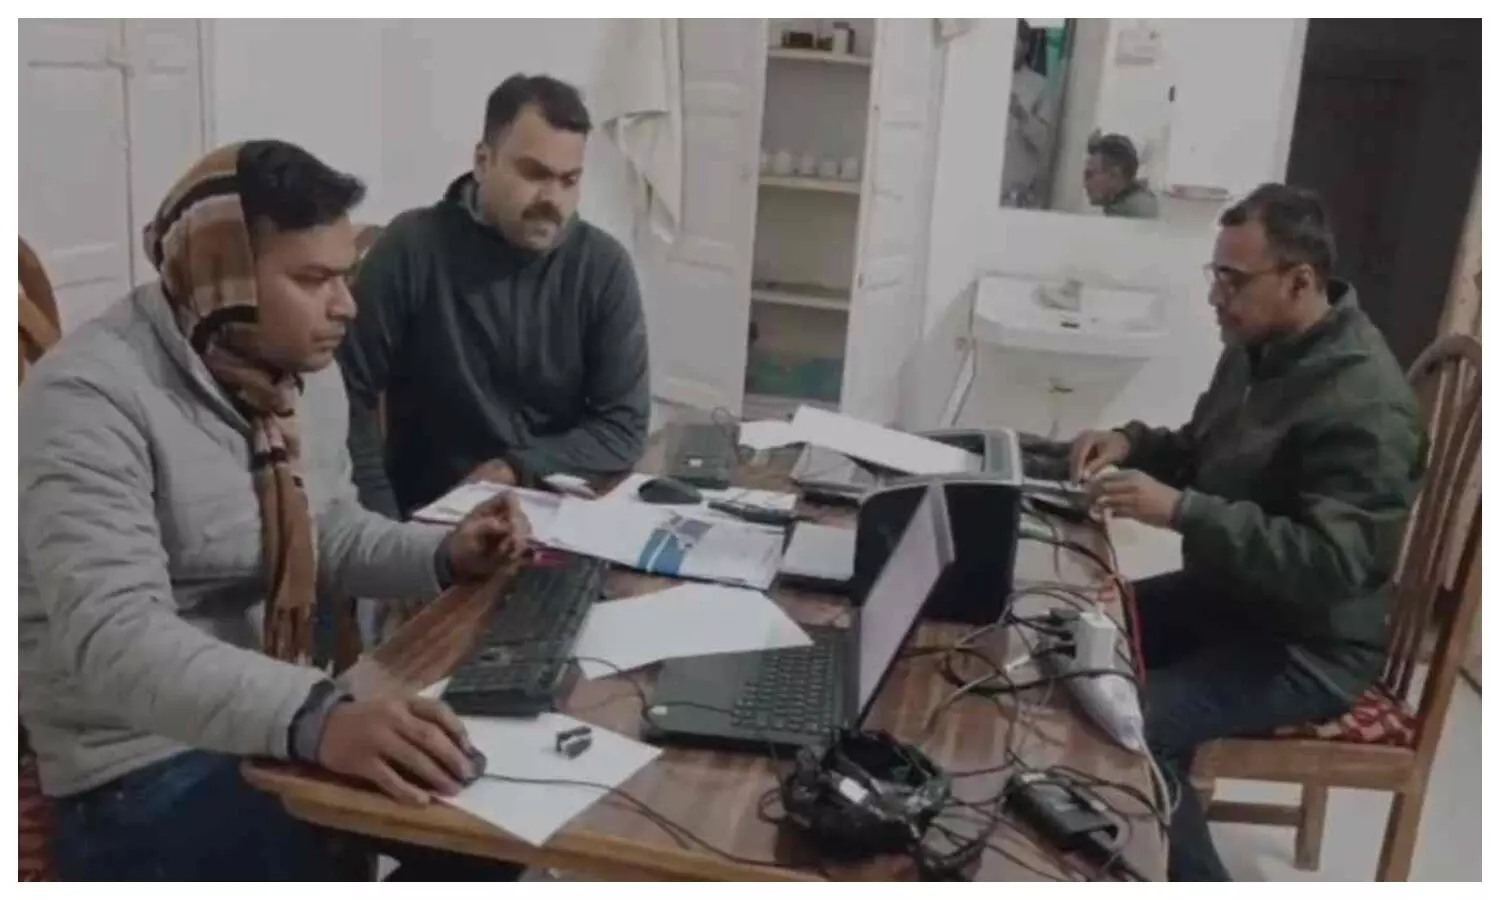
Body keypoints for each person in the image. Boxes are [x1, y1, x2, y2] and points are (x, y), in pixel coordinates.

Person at [18, 140, 534, 880]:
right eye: (312, 279)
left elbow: (329, 528)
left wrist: (444, 553)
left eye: (344, 275)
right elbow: (117, 642)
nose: (346, 305)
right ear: (224, 279)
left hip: (269, 719)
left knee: (496, 832)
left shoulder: (293, 371)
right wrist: (318, 716)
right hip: (137, 768)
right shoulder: (88, 399)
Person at [1068, 184, 1424, 880]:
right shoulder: (1256, 346)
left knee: (1130, 723)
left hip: (1307, 645)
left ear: (1300, 281)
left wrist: (1183, 511)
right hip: (1233, 596)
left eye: (1233, 280)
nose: (1215, 296)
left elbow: (1333, 564)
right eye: (1215, 275)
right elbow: (1202, 449)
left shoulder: (1367, 403)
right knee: (1070, 628)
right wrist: (1130, 442)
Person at [340, 73, 651, 521]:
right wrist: (384, 528)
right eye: (534, 174)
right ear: (483, 162)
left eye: (569, 180)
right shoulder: (412, 247)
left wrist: (513, 469)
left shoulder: (603, 267)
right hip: (431, 523)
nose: (553, 199)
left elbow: (622, 428)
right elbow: (347, 397)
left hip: (554, 519)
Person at [1083, 133, 1158, 219]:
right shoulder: (1129, 209)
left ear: (1114, 176)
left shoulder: (1132, 217)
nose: (1085, 184)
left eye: (1089, 175)